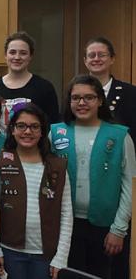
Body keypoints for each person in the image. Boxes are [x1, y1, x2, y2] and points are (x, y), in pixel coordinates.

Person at [50, 74, 135, 278]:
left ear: (100, 100)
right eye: (75, 97)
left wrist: (119, 229)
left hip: (106, 227)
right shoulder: (56, 133)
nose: (82, 103)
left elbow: (130, 185)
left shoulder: (120, 135)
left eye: (88, 97)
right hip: (65, 225)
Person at [0, 103, 72, 279]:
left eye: (34, 126)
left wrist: (61, 257)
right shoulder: (0, 162)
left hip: (47, 254)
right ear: (12, 129)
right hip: (10, 251)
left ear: (42, 131)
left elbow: (66, 213)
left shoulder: (57, 166)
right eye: (21, 126)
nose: (27, 132)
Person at [83, 37, 136, 279]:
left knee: (114, 264)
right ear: (85, 61)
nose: (96, 59)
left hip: (118, 185)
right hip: (84, 192)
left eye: (101, 54)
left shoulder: (130, 93)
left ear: (112, 59)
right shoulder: (79, 92)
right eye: (91, 55)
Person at [0, 31, 60, 129]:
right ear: (5, 55)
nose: (17, 57)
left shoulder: (45, 88)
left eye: (23, 53)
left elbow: (52, 125)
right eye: (12, 52)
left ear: (30, 57)